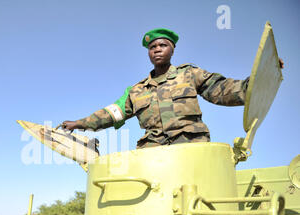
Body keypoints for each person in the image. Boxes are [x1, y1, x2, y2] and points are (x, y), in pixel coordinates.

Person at [60, 28, 284, 149]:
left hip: (192, 149)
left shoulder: (189, 74)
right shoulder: (136, 90)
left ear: (172, 50)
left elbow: (222, 89)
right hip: (153, 153)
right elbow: (111, 114)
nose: (157, 49)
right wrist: (80, 123)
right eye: (152, 47)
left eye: (163, 45)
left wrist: (258, 80)